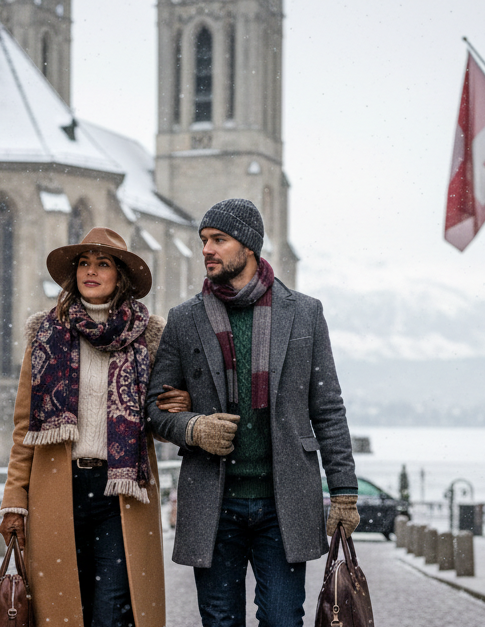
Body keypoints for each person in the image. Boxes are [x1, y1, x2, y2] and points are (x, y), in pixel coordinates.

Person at [146, 199, 360, 627]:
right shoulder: (184, 319)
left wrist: (345, 492)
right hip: (213, 501)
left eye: (219, 240)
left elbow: (328, 407)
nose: (207, 249)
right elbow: (154, 408)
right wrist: (194, 427)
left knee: (283, 620)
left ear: (249, 246)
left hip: (284, 503)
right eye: (204, 240)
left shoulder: (304, 313)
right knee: (220, 621)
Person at [0, 227, 189, 627]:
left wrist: (183, 405)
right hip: (58, 489)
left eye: (103, 263)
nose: (91, 270)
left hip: (121, 494)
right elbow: (24, 428)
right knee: (64, 612)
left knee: (114, 613)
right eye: (84, 262)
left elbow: (161, 411)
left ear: (120, 275)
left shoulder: (147, 339)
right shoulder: (45, 335)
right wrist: (14, 500)